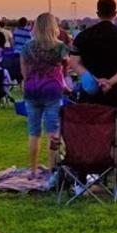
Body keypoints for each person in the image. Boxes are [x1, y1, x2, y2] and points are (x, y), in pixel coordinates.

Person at [69, 0, 117, 137]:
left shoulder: (83, 37)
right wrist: (110, 82)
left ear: (98, 13)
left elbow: (74, 62)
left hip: (91, 92)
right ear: (115, 13)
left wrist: (95, 79)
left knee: (92, 134)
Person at [20, 12, 68, 175]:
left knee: (34, 133)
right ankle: (52, 170)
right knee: (53, 133)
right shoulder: (60, 46)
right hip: (53, 90)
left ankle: (32, 170)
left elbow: (24, 73)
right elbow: (65, 68)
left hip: (32, 90)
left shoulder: (27, 47)